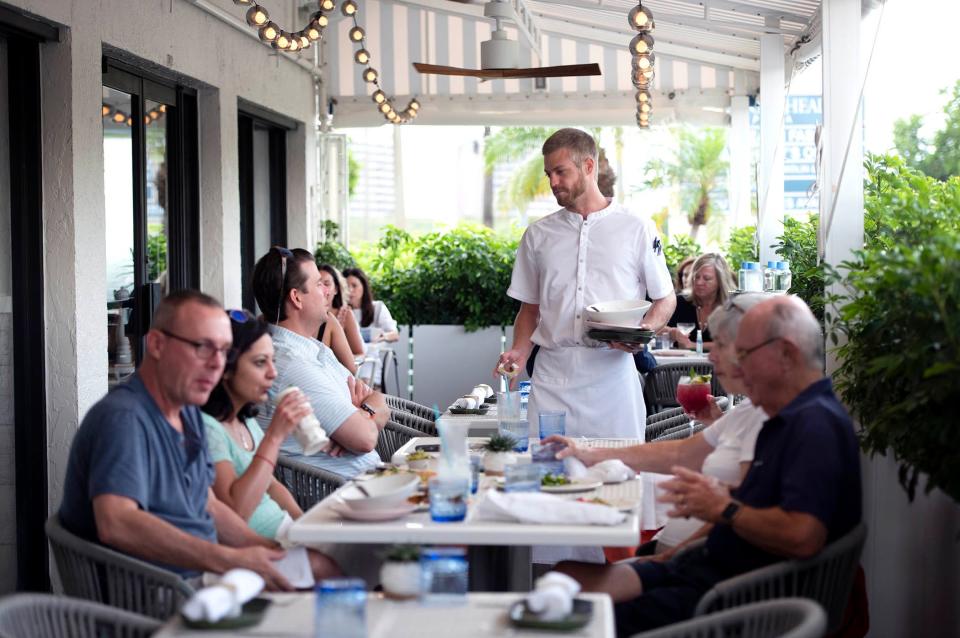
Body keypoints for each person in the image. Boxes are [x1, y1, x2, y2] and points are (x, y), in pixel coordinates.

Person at [558, 296, 862, 635]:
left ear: (787, 354)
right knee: (562, 582)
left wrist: (723, 507)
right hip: (699, 573)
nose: (738, 369)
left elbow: (803, 536)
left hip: (731, 604)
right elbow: (736, 500)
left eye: (744, 355)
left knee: (563, 618)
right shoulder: (786, 419)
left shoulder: (814, 425)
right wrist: (673, 554)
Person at [59, 291, 293, 589]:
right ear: (157, 344)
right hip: (153, 600)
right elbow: (116, 523)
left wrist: (269, 550)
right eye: (203, 347)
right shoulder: (123, 419)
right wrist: (228, 559)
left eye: (224, 352)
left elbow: (209, 506)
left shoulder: (188, 413)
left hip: (202, 580)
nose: (216, 364)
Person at [549, 292, 769, 560]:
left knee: (572, 573)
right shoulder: (751, 411)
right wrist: (589, 453)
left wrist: (662, 561)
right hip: (671, 553)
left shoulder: (781, 421)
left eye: (722, 347)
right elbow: (682, 454)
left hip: (693, 571)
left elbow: (753, 521)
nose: (711, 358)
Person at [494, 128, 676, 440]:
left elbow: (665, 299)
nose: (553, 182)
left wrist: (645, 331)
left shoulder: (637, 228)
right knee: (549, 474)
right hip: (552, 377)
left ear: (588, 166)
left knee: (621, 475)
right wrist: (520, 351)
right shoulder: (537, 235)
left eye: (560, 172)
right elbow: (530, 310)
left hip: (613, 374)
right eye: (549, 173)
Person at [201, 309, 342, 580]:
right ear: (227, 369)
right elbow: (235, 511)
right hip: (250, 553)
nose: (272, 373)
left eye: (273, 362)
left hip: (283, 532)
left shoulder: (244, 420)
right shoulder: (209, 428)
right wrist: (274, 437)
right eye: (260, 363)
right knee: (332, 569)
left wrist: (305, 526)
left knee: (353, 552)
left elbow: (273, 487)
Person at [252, 247, 390, 479]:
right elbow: (365, 439)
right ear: (296, 298)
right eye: (319, 284)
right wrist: (366, 416)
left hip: (368, 484)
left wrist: (364, 412)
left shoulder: (312, 349)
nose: (329, 292)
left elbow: (378, 397)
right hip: (343, 499)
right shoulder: (292, 365)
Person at [664, 253, 736, 351]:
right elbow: (655, 328)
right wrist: (671, 332)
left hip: (717, 364)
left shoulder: (731, 307)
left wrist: (693, 345)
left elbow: (735, 344)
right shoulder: (681, 302)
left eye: (707, 279)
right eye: (696, 277)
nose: (699, 282)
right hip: (680, 365)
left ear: (720, 281)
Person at [315, 264, 361, 375]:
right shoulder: (310, 316)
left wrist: (339, 358)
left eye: (326, 284)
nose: (322, 289)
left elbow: (359, 352)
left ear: (336, 288)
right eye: (318, 284)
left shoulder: (344, 314)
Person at [344, 267, 399, 343]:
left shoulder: (377, 307)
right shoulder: (339, 311)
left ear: (364, 287)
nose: (350, 290)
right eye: (346, 287)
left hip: (373, 353)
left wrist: (382, 336)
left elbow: (394, 334)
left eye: (354, 286)